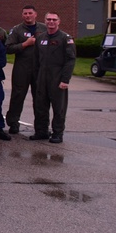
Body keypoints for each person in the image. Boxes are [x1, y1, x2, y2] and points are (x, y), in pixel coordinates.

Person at [30, 12, 76, 144]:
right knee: (40, 106)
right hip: (42, 78)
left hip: (57, 78)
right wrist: (36, 78)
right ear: (44, 21)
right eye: (48, 19)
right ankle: (41, 131)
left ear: (59, 21)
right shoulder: (40, 38)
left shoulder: (65, 38)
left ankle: (57, 133)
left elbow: (70, 61)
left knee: (58, 108)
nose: (51, 22)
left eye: (54, 20)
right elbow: (36, 60)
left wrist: (65, 80)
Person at [5, 5, 40, 135]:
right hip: (22, 67)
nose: (27, 16)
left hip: (39, 68)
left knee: (40, 98)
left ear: (35, 14)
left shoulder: (43, 28)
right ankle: (13, 123)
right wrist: (25, 44)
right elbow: (8, 48)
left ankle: (41, 126)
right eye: (25, 13)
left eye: (30, 13)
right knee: (17, 96)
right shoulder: (17, 30)